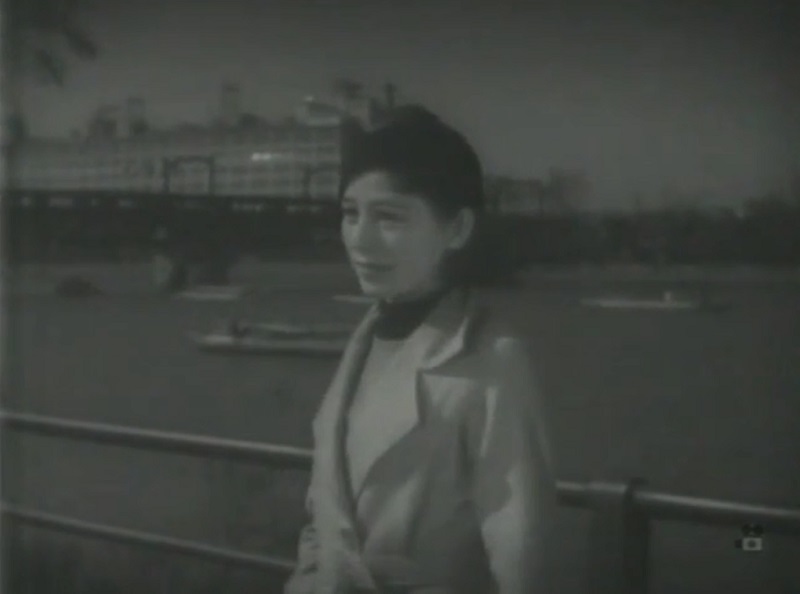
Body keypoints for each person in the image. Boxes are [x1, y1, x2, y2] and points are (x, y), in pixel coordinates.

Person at [284, 105, 557, 594]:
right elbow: (325, 514)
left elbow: (521, 552)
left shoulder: (493, 359)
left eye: (389, 217)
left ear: (457, 229)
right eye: (350, 213)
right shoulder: (365, 341)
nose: (360, 240)